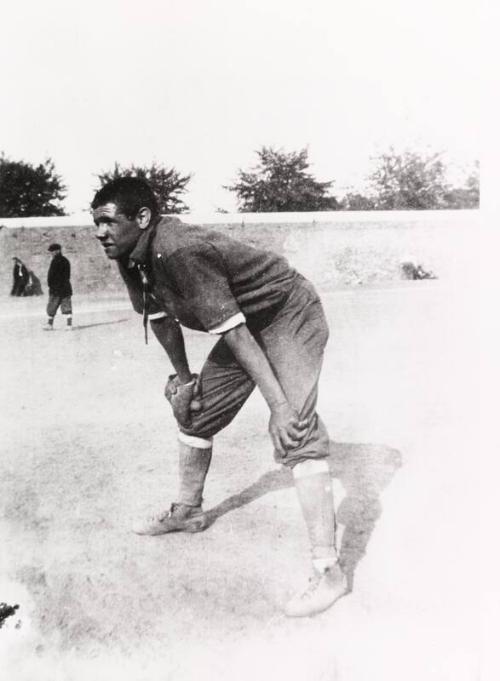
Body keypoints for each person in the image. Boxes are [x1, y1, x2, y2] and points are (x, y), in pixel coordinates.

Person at [91, 177, 347, 618]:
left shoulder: (179, 249)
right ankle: (188, 512)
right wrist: (185, 378)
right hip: (248, 323)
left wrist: (280, 406)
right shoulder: (132, 257)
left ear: (143, 219)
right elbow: (160, 319)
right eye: (96, 222)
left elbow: (237, 333)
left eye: (108, 221)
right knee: (195, 414)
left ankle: (329, 572)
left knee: (296, 434)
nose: (100, 232)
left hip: (287, 313)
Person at [44, 243, 73, 330]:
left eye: (52, 251)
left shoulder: (55, 261)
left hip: (56, 289)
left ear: (58, 251)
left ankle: (50, 325)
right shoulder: (66, 260)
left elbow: (51, 276)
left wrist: (51, 286)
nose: (51, 253)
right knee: (67, 306)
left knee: (52, 307)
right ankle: (69, 325)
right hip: (65, 288)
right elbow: (67, 276)